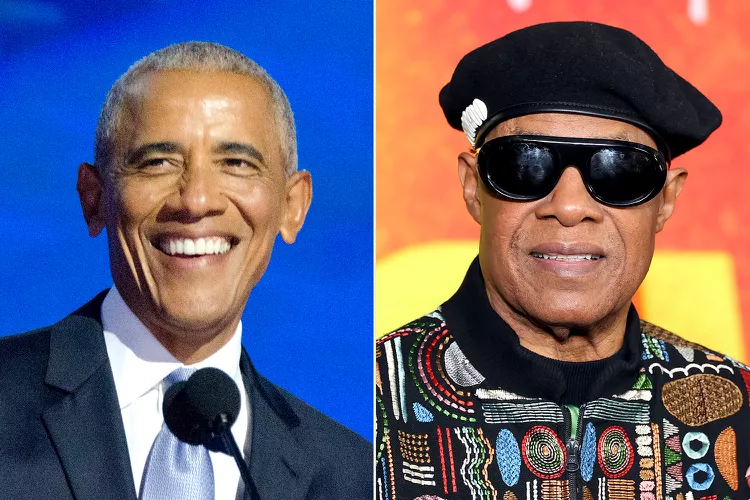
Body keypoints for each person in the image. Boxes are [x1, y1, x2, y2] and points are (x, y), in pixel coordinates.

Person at [376, 22, 750, 500]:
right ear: (473, 187)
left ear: (667, 201)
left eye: (620, 170)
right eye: (526, 164)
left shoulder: (740, 416)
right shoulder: (365, 411)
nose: (570, 206)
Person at [0, 42, 370, 500]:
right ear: (94, 199)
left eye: (236, 164)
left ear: (291, 207)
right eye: (158, 162)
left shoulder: (352, 477)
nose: (196, 200)